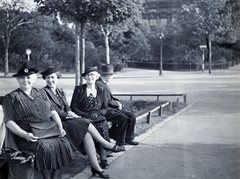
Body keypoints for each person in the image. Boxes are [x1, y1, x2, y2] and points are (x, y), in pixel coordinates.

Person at [41, 66, 124, 177]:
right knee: (84, 122)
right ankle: (107, 145)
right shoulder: (43, 92)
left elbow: (68, 107)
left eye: (53, 77)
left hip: (67, 121)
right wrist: (70, 114)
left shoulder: (60, 91)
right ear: (44, 79)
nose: (50, 80)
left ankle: (96, 168)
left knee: (87, 134)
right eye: (47, 78)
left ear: (58, 78)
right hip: (56, 124)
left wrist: (71, 113)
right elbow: (52, 111)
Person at [1, 62, 74, 179]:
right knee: (44, 147)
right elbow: (9, 121)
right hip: (28, 136)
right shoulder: (11, 97)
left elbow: (53, 112)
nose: (25, 80)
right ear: (18, 80)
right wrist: (25, 135)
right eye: (22, 78)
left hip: (49, 131)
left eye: (28, 77)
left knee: (63, 144)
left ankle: (54, 178)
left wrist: (60, 128)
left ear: (34, 79)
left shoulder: (42, 93)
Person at [71, 66, 117, 170]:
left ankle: (103, 158)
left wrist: (98, 114)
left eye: (92, 75)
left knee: (101, 125)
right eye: (88, 75)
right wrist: (84, 115)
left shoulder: (101, 90)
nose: (90, 77)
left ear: (96, 77)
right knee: (91, 128)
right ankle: (97, 158)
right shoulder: (79, 90)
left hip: (98, 117)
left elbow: (105, 107)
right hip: (84, 118)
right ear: (85, 78)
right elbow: (73, 106)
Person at [96, 64, 139, 148]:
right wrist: (117, 104)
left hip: (110, 108)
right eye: (111, 75)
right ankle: (120, 143)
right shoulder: (99, 84)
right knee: (123, 119)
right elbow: (106, 101)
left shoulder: (103, 83)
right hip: (104, 110)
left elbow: (110, 97)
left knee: (132, 116)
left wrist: (117, 101)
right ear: (106, 76)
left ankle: (128, 139)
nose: (112, 77)